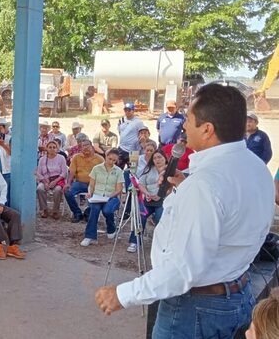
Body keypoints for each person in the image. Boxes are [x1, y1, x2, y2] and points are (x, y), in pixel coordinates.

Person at [95, 84, 274, 338]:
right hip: (236, 294)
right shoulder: (256, 168)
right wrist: (185, 187)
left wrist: (122, 295)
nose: (182, 127)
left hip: (195, 310)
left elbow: (181, 271)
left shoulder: (205, 184)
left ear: (207, 129)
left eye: (188, 120)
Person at [80, 149, 124, 247]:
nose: (111, 162)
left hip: (111, 197)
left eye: (114, 160)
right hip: (97, 195)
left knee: (107, 211)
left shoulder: (118, 171)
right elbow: (91, 185)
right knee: (94, 209)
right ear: (106, 156)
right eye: (110, 159)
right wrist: (89, 193)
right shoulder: (96, 168)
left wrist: (109, 196)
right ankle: (89, 236)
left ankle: (111, 228)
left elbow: (119, 189)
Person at [126, 149, 168, 253]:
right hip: (148, 199)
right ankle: (134, 242)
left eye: (159, 157)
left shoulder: (171, 171)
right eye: (154, 158)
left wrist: (161, 195)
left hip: (163, 200)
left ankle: (161, 244)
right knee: (140, 216)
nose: (157, 160)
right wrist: (146, 193)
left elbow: (172, 187)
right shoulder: (149, 169)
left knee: (160, 218)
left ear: (165, 158)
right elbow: (141, 184)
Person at [36, 140, 68, 219]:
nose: (52, 149)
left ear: (57, 149)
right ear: (46, 148)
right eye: (50, 147)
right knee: (40, 188)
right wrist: (45, 182)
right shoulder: (42, 159)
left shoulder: (61, 158)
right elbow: (39, 173)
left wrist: (55, 181)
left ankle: (55, 211)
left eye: (54, 147)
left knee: (57, 190)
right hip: (45, 180)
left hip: (58, 179)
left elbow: (64, 173)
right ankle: (44, 209)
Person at [115, 103, 144, 169]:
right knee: (117, 169)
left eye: (129, 110)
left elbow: (142, 134)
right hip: (122, 149)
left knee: (133, 170)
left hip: (134, 151)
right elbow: (120, 131)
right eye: (125, 110)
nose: (127, 112)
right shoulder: (121, 120)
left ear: (133, 110)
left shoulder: (138, 122)